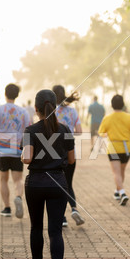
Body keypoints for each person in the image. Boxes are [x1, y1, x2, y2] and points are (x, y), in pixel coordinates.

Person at [22, 89, 74, 259]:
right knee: (55, 231)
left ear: (36, 108)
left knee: (36, 228)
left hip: (35, 183)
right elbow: (71, 160)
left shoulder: (30, 130)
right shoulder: (65, 129)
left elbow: (27, 158)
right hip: (58, 183)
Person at [0, 84, 30, 218]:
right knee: (18, 179)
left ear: (5, 94)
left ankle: (7, 208)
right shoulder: (23, 111)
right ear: (17, 95)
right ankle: (18, 196)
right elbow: (28, 129)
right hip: (17, 149)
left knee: (3, 179)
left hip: (1, 149)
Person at [99, 95, 130, 206]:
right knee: (121, 171)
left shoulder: (107, 118)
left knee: (116, 173)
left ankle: (122, 192)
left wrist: (109, 134)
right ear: (123, 104)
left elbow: (101, 133)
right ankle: (117, 191)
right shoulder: (129, 117)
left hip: (113, 148)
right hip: (127, 148)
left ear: (112, 105)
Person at [52, 85, 84, 227]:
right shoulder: (72, 111)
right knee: (68, 184)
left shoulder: (50, 112)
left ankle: (62, 217)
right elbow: (79, 131)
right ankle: (74, 209)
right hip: (71, 152)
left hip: (54, 154)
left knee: (57, 185)